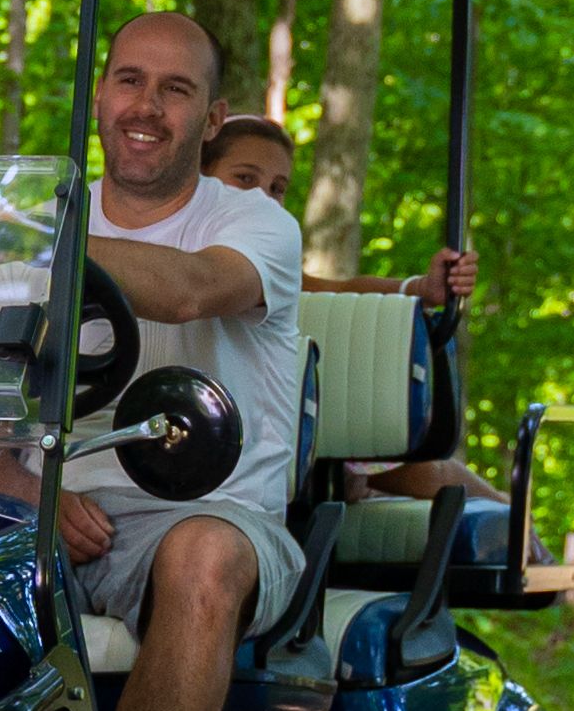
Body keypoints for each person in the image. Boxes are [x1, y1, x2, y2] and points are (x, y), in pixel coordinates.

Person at [52, 13, 314, 711]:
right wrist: (27, 491)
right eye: (130, 79)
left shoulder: (253, 223)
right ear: (99, 95)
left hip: (205, 511)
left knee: (202, 557)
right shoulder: (37, 215)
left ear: (210, 118)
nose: (146, 106)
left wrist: (28, 235)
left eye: (176, 90)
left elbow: (191, 289)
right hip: (44, 508)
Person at [200, 109, 486, 512]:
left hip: (282, 437)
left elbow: (336, 290)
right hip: (213, 432)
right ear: (199, 174)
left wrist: (419, 289)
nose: (262, 198)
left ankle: (523, 534)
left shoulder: (268, 267)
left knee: (432, 474)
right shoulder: (168, 251)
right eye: (245, 178)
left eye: (277, 188)